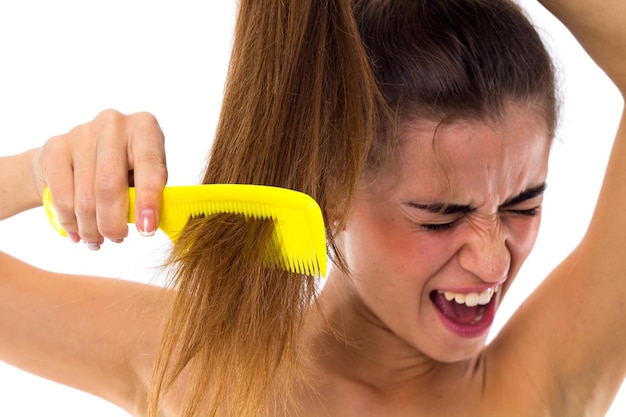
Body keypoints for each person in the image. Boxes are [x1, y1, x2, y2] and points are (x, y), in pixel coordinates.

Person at [1, 0, 626, 416]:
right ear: (327, 194)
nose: (493, 260)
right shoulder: (198, 365)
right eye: (438, 216)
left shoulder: (541, 386)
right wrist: (35, 174)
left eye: (524, 204)